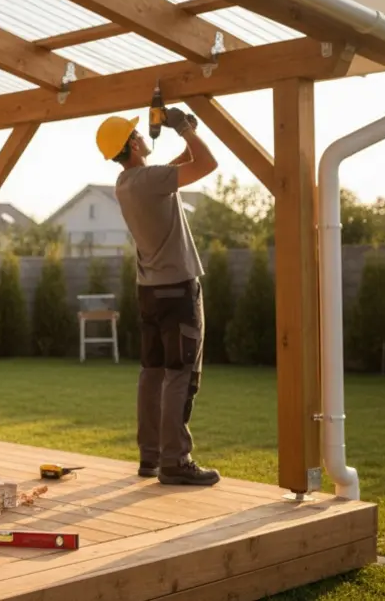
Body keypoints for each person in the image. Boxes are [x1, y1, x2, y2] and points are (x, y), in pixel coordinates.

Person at [97, 107, 221, 486]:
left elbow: (179, 166)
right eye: (136, 136)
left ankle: (150, 457)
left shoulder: (128, 183)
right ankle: (175, 460)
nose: (140, 137)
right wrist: (183, 128)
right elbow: (208, 163)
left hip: (150, 292)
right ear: (133, 144)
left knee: (152, 374)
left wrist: (190, 135)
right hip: (178, 291)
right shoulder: (148, 180)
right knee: (180, 374)